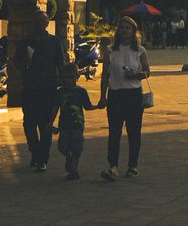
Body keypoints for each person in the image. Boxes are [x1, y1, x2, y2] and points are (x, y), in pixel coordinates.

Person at [99, 16, 151, 181]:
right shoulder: (110, 50)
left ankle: (132, 166)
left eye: (128, 28)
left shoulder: (140, 51)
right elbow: (105, 75)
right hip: (115, 94)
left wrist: (137, 74)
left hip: (133, 94)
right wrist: (102, 96)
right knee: (114, 132)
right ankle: (113, 166)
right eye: (122, 27)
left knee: (134, 132)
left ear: (133, 31)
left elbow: (147, 71)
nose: (124, 30)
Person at [14, 9, 67, 171]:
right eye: (36, 21)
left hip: (48, 88)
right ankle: (35, 152)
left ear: (47, 24)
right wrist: (26, 60)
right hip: (30, 88)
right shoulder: (25, 42)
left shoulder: (54, 42)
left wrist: (65, 82)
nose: (39, 24)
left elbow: (61, 62)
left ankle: (42, 158)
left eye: (42, 21)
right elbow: (16, 63)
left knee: (46, 125)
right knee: (29, 124)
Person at [56, 62, 101, 180]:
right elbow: (55, 108)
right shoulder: (60, 92)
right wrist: (50, 123)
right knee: (62, 146)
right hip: (64, 124)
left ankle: (74, 169)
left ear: (77, 77)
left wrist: (98, 106)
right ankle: (68, 157)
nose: (69, 80)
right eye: (66, 77)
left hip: (77, 124)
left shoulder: (81, 92)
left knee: (76, 147)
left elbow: (87, 106)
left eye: (71, 77)